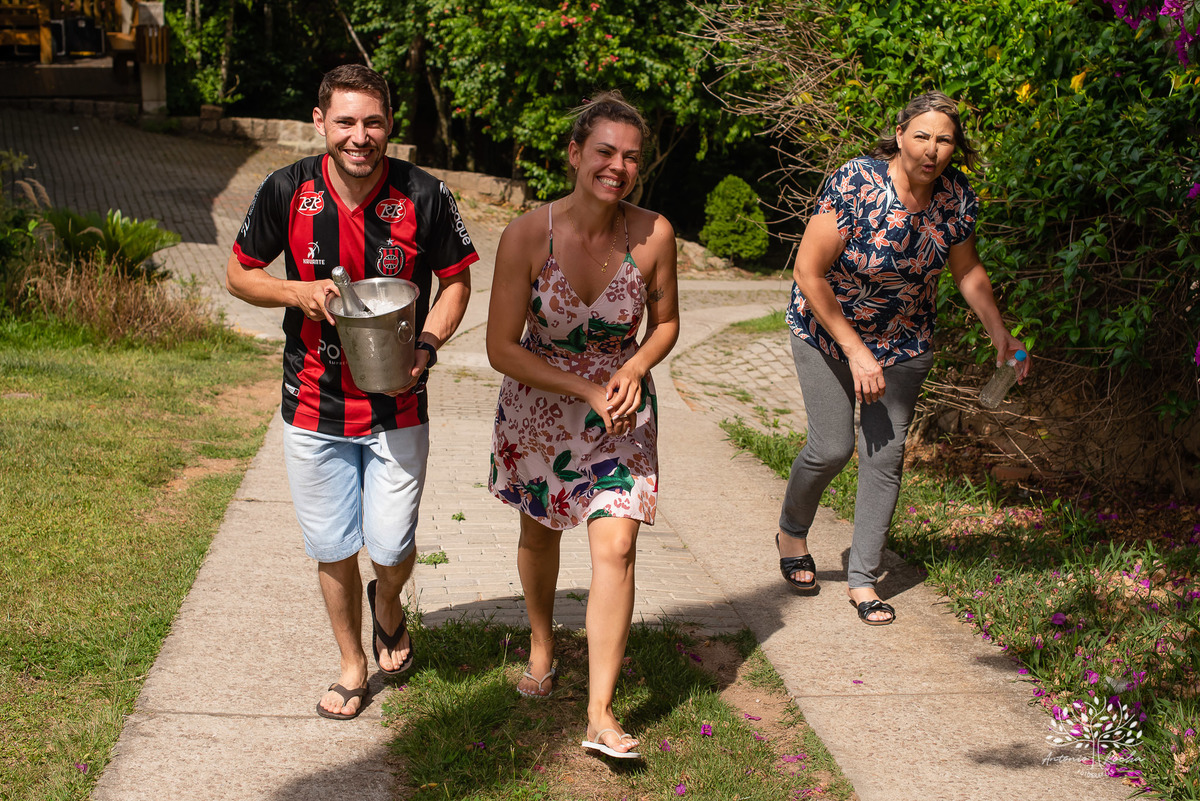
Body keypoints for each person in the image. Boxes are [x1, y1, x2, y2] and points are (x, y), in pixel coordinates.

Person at [225, 64, 476, 719]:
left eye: (372, 122)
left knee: (390, 547)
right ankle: (351, 665)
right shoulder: (288, 189)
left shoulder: (425, 194)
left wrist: (427, 345)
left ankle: (387, 602)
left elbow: (456, 282)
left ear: (389, 125)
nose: (359, 136)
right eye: (345, 122)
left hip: (399, 403)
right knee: (333, 546)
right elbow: (238, 273)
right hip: (313, 401)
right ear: (320, 122)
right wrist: (295, 292)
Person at [776, 91, 1030, 626]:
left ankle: (863, 581)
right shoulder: (856, 184)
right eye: (922, 136)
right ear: (899, 135)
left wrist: (999, 332)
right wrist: (855, 351)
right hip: (827, 332)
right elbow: (808, 272)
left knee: (885, 458)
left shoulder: (956, 197)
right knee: (832, 448)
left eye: (944, 140)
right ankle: (792, 531)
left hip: (904, 341)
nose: (932, 150)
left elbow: (966, 270)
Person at [486, 91, 679, 759]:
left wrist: (635, 366)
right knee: (539, 534)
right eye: (604, 151)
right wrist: (583, 388)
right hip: (541, 408)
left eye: (631, 157)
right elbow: (500, 346)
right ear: (574, 153)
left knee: (617, 548)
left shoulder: (654, 234)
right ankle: (542, 643)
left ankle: (600, 712)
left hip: (620, 412)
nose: (617, 167)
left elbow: (666, 324)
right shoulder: (525, 236)